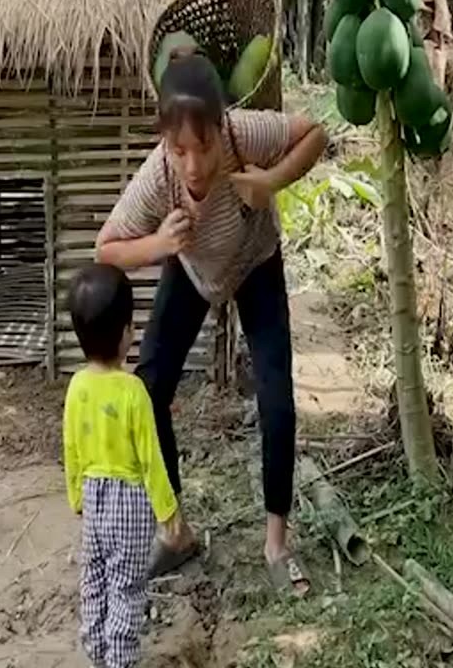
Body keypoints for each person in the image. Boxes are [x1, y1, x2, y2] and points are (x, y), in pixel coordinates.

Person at [95, 49, 327, 595]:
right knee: (148, 390)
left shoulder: (247, 132)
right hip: (195, 271)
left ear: (223, 128)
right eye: (179, 150)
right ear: (165, 144)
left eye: (204, 147)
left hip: (255, 261)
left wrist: (272, 180)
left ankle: (276, 543)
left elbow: (316, 132)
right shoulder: (159, 178)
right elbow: (107, 248)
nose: (194, 164)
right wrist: (159, 243)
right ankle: (176, 534)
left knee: (276, 397)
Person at [63, 263, 182, 668]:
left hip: (95, 499)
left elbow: (72, 446)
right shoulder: (134, 392)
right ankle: (121, 661)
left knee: (94, 579)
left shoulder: (77, 386)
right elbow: (151, 460)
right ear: (127, 332)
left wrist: (76, 493)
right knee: (127, 589)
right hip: (131, 502)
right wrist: (169, 513)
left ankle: (97, 651)